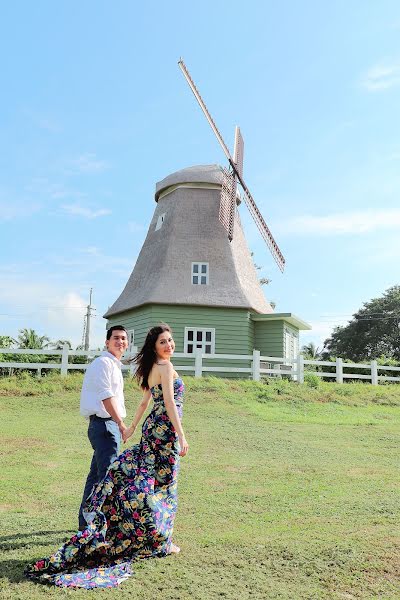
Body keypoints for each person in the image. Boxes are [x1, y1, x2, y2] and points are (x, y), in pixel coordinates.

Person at [25, 323, 189, 589]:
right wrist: (181, 435)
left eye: (170, 340)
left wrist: (134, 426)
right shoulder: (161, 367)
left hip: (149, 428)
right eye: (163, 342)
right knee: (152, 484)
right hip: (161, 431)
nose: (169, 345)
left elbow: (144, 402)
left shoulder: (149, 368)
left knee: (115, 479)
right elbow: (167, 402)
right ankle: (133, 535)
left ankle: (94, 523)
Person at [78, 325, 129, 530]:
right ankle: (102, 525)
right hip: (105, 426)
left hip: (104, 426)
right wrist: (120, 423)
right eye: (116, 338)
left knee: (96, 477)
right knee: (107, 479)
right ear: (107, 342)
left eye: (124, 339)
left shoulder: (113, 365)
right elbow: (106, 397)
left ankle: (86, 524)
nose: (121, 342)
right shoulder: (103, 363)